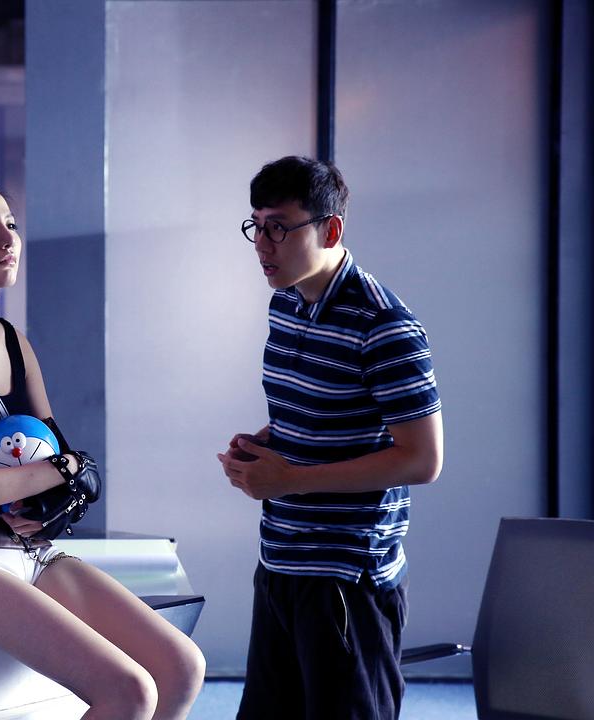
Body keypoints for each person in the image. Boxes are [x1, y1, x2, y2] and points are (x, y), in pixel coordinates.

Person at [0, 173, 205, 720]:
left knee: (182, 666)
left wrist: (64, 478)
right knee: (130, 690)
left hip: (32, 551)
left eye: (11, 224)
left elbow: (74, 467)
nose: (7, 239)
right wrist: (65, 468)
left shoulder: (15, 342)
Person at [217, 156, 444, 720]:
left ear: (331, 229)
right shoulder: (287, 302)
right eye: (256, 226)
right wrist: (264, 444)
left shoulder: (384, 324)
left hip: (347, 577)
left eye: (279, 227)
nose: (262, 244)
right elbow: (316, 413)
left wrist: (290, 479)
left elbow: (422, 459)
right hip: (280, 562)